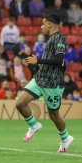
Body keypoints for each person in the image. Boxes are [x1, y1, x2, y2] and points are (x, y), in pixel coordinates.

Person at [16, 14, 73, 152]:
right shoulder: (50, 39)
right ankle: (34, 125)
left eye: (43, 24)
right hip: (40, 79)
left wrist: (38, 61)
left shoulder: (59, 38)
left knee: (54, 115)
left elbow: (59, 60)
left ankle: (65, 139)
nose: (41, 27)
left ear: (51, 25)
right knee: (20, 103)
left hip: (53, 84)